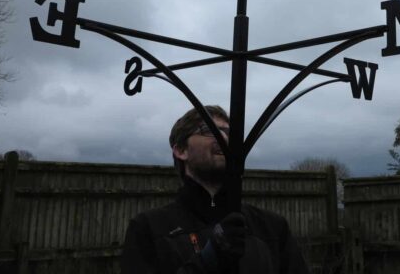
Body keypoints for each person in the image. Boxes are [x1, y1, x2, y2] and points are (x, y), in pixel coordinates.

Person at [121, 105, 310, 273]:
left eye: (228, 131)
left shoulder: (272, 227)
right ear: (181, 150)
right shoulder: (149, 228)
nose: (224, 137)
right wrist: (208, 260)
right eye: (209, 130)